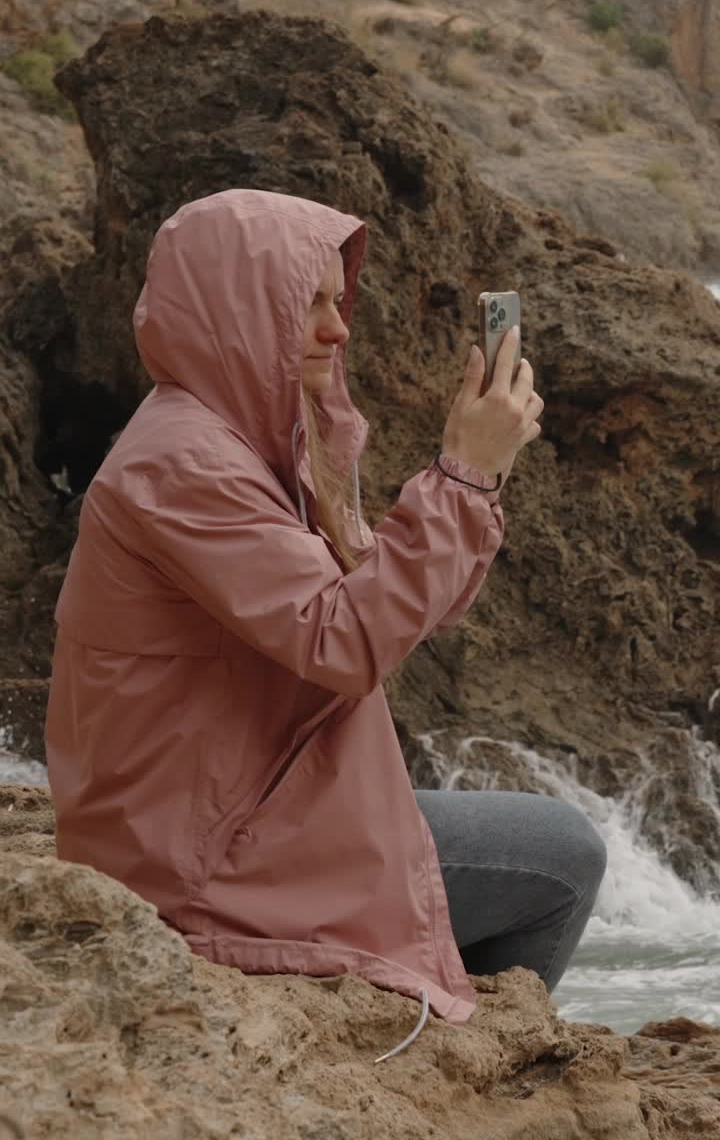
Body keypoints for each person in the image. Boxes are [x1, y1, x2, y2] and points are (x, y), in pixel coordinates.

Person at [45, 189, 606, 1057]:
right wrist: (460, 477)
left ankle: (441, 1019)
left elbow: (416, 612)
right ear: (237, 311)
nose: (337, 328)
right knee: (561, 854)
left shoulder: (234, 443)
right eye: (307, 304)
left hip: (240, 802)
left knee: (540, 845)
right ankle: (458, 1055)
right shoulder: (183, 463)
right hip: (206, 855)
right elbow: (347, 642)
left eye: (335, 302)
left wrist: (474, 483)